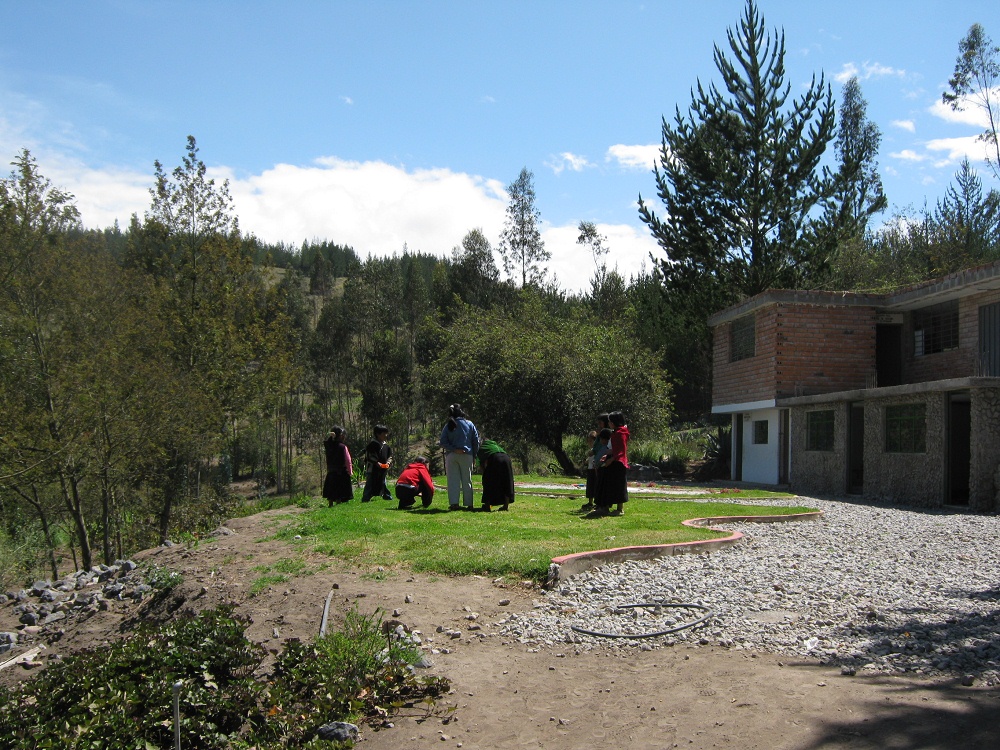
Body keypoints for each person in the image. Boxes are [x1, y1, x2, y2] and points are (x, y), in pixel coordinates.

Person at [439, 403, 479, 510]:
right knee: (467, 480)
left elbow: (442, 442)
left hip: (452, 455)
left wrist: (453, 449)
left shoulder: (448, 425)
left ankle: (454, 504)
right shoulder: (469, 424)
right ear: (461, 411)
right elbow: (476, 441)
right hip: (467, 455)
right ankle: (469, 504)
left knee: (453, 480)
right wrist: (474, 455)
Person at [597, 412, 629, 516]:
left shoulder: (621, 433)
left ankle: (620, 509)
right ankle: (605, 506)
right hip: (613, 461)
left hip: (619, 462)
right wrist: (607, 455)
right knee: (609, 484)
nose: (609, 423)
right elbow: (614, 448)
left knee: (619, 485)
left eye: (610, 421)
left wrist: (611, 459)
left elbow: (621, 450)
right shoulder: (615, 432)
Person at [478, 439, 514, 511]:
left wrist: (485, 476)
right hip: (506, 458)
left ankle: (487, 506)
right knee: (506, 481)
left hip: (494, 458)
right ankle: (505, 505)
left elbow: (482, 464)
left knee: (488, 481)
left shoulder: (482, 448)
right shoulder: (496, 446)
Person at [322, 426, 354, 506]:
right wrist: (350, 471)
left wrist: (331, 437)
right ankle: (338, 502)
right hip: (341, 471)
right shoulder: (342, 447)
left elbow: (327, 442)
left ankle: (330, 503)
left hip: (331, 471)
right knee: (340, 489)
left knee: (331, 489)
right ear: (340, 436)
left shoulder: (329, 446)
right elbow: (348, 460)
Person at [360, 425, 393, 503]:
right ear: (378, 434)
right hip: (372, 468)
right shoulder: (372, 444)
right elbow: (370, 456)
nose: (386, 435)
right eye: (384, 433)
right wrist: (376, 463)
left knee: (383, 482)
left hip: (383, 468)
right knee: (370, 483)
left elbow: (390, 456)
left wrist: (388, 462)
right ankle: (366, 497)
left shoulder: (386, 446)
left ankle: (386, 495)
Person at [590, 427, 613, 513]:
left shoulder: (607, 449)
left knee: (602, 488)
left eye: (602, 439)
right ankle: (599, 505)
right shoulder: (603, 447)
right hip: (599, 469)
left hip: (604, 469)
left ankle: (604, 506)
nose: (600, 441)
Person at [581, 430, 599, 512]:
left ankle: (597, 503)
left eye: (590, 441)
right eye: (588, 441)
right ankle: (590, 502)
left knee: (595, 486)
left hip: (595, 470)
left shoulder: (596, 449)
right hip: (590, 469)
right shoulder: (591, 450)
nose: (589, 443)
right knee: (590, 486)